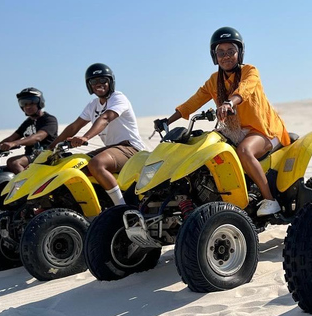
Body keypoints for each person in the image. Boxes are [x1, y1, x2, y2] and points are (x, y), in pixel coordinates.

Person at [155, 27, 291, 216]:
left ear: (239, 53)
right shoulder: (214, 81)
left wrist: (229, 103)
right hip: (235, 131)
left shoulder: (249, 71)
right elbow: (193, 102)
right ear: (214, 56)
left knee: (244, 150)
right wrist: (167, 121)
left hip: (264, 130)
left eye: (230, 51)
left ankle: (270, 200)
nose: (226, 56)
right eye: (221, 52)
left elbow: (245, 89)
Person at [49, 63, 145, 206]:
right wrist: (50, 148)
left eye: (103, 80)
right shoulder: (93, 105)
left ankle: (121, 207)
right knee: (75, 166)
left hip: (131, 148)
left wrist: (85, 137)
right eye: (94, 81)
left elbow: (105, 118)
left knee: (97, 164)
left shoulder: (118, 98)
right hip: (112, 149)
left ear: (110, 82)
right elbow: (74, 127)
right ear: (89, 85)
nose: (99, 84)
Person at [0, 87, 58, 173]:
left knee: (14, 162)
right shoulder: (27, 123)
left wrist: (14, 143)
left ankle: (30, 185)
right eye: (24, 103)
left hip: (46, 155)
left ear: (40, 103)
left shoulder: (49, 119)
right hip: (31, 157)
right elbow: (10, 139)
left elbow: (38, 137)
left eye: (31, 102)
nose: (27, 106)